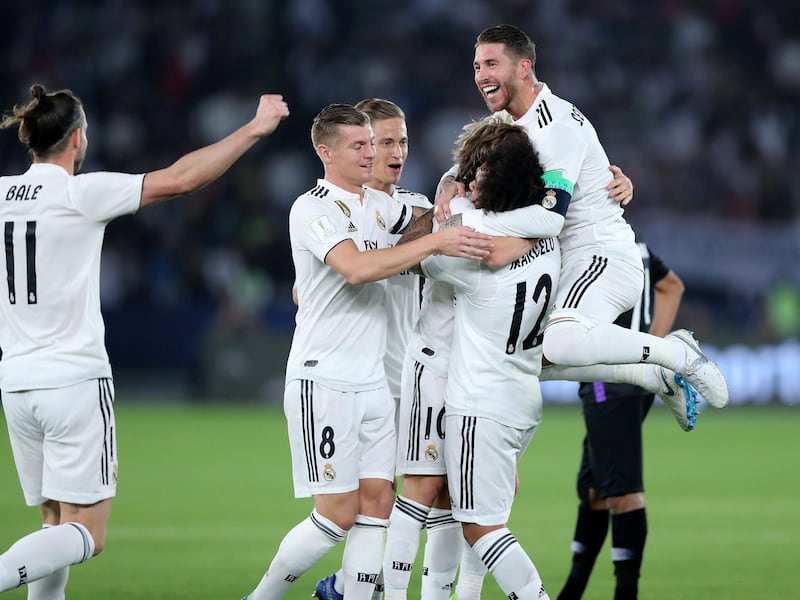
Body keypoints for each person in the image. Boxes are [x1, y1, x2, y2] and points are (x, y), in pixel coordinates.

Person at [0, 84, 290, 596]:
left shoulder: (2, 194)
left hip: (16, 382)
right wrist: (253, 129)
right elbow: (179, 180)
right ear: (77, 138)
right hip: (72, 379)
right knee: (87, 533)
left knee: (54, 525)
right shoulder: (78, 193)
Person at [240, 103, 494, 600]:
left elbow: (429, 217)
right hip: (325, 377)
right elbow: (356, 268)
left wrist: (450, 188)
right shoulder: (312, 207)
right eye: (363, 145)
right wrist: (437, 240)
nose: (375, 153)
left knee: (379, 503)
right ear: (325, 151)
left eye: (377, 144)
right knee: (336, 514)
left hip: (376, 384)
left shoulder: (378, 206)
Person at [435, 24, 727, 413]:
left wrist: (475, 227)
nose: (481, 76)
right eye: (476, 67)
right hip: (562, 264)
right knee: (516, 360)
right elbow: (459, 171)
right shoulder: (505, 124)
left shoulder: (555, 126)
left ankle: (674, 353)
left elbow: (551, 219)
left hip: (600, 255)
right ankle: (650, 376)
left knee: (560, 342)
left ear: (523, 68)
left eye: (491, 64)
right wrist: (448, 182)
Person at [422, 120, 561, 599]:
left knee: (481, 528)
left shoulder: (475, 253)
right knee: (471, 514)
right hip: (523, 398)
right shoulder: (548, 239)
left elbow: (427, 255)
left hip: (480, 404)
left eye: (476, 171)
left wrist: (453, 200)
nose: (470, 180)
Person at [312, 98, 433, 600]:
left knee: (434, 489)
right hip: (363, 376)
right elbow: (313, 285)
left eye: (401, 141)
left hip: (415, 370)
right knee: (368, 501)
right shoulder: (335, 214)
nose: (395, 151)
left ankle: (351, 585)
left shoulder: (419, 208)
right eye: (383, 141)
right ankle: (366, 586)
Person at [557, 243, 684, 600]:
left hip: (609, 379)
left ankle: (625, 593)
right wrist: (651, 347)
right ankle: (574, 589)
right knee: (595, 489)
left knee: (624, 494)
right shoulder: (635, 242)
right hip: (628, 379)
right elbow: (672, 286)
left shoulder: (598, 246)